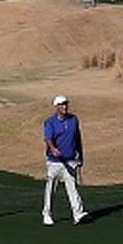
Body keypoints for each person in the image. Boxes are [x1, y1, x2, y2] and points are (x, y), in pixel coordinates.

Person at [42, 95, 88, 226]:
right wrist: (53, 148)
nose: (65, 107)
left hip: (70, 160)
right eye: (61, 104)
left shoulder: (73, 120)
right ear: (56, 107)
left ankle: (78, 214)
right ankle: (47, 214)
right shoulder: (50, 122)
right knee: (51, 188)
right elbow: (48, 138)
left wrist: (80, 157)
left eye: (66, 104)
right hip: (55, 161)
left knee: (72, 187)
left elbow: (77, 139)